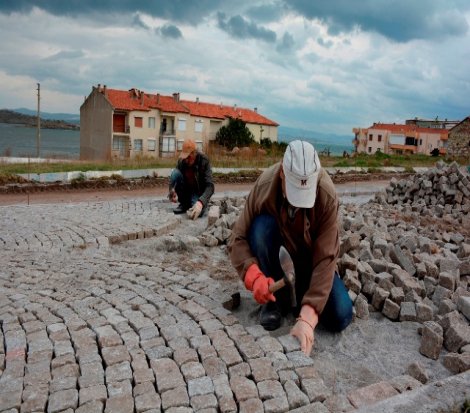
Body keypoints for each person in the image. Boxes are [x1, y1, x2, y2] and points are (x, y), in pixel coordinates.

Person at [228, 140, 352, 355]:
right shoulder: (266, 185)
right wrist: (254, 276)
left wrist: (307, 318)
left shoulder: (326, 194)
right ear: (283, 175)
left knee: (340, 315)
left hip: (310, 265)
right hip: (277, 263)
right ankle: (275, 302)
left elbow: (326, 257)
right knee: (260, 228)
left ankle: (304, 294)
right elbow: (237, 238)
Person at [168, 139, 214, 219]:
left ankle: (197, 204)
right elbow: (176, 177)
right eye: (185, 157)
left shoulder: (204, 160)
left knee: (197, 212)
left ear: (194, 153)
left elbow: (210, 186)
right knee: (175, 172)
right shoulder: (182, 161)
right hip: (186, 190)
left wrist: (200, 203)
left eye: (188, 157)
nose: (186, 160)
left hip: (198, 192)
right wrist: (172, 190)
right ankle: (184, 204)